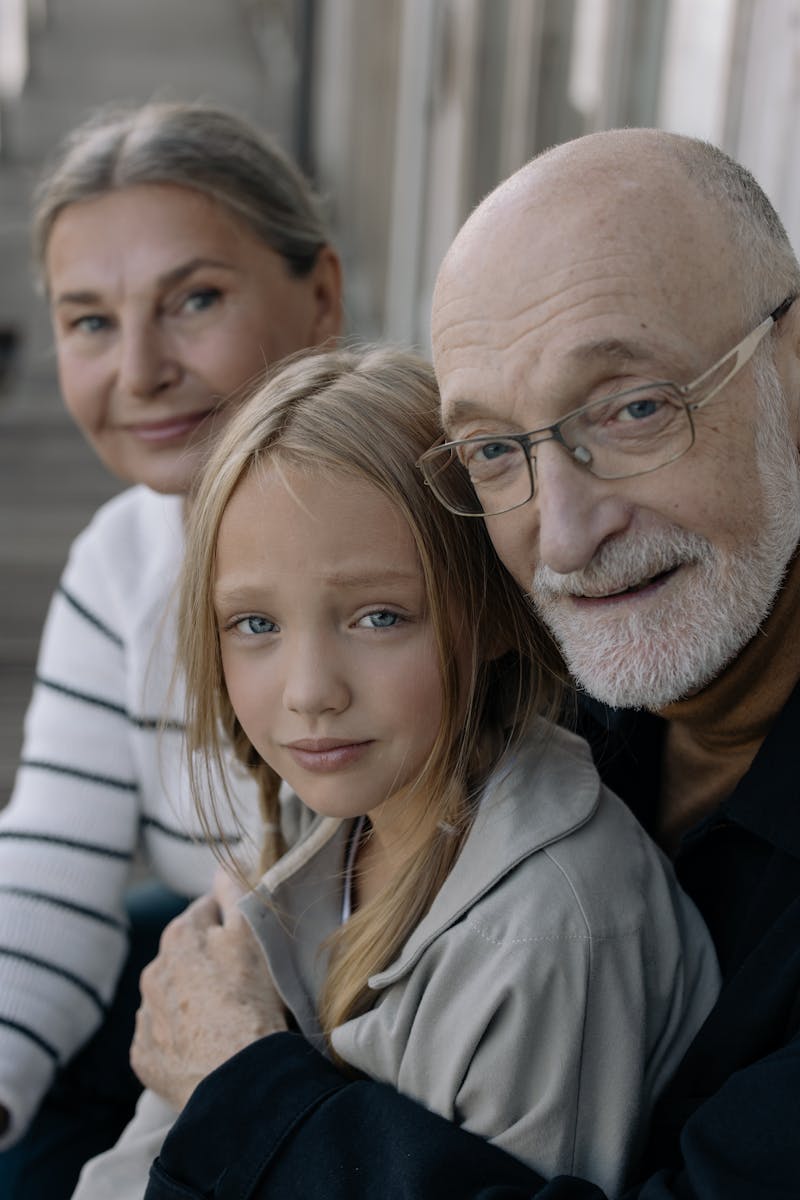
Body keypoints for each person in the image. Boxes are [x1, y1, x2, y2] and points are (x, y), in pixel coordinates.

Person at [132, 129, 800, 1200]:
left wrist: (246, 1092)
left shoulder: (562, 901)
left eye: (632, 408)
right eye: (494, 449)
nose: (564, 532)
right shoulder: (502, 695)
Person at [72, 345, 716, 1199]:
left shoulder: (547, 932)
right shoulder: (341, 825)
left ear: (491, 613)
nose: (309, 694)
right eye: (255, 624)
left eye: (379, 616)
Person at [0, 99, 342, 1198]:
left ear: (321, 298)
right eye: (90, 320)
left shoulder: (437, 535)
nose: (139, 369)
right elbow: (50, 869)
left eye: (194, 299)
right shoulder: (121, 559)